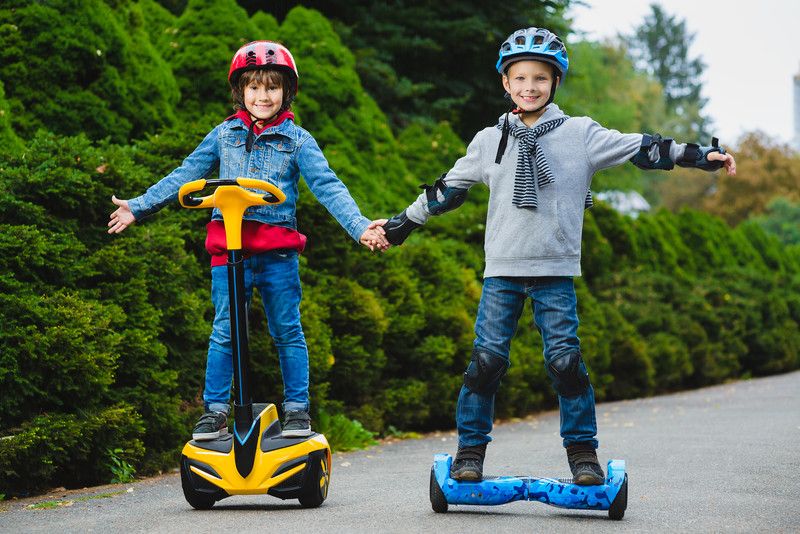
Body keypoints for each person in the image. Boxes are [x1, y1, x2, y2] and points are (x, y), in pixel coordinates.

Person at [379, 27, 736, 485]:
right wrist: (400, 225)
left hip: (555, 273)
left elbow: (643, 147)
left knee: (565, 362)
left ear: (555, 84)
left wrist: (701, 155)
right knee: (486, 362)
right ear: (506, 83)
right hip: (502, 273)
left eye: (541, 79)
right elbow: (448, 190)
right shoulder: (490, 140)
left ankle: (583, 454)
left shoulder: (580, 134)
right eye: (521, 78)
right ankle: (470, 451)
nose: (530, 87)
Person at [108, 41, 389, 440]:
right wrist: (139, 206)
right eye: (254, 87)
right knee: (225, 329)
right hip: (229, 251)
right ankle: (215, 411)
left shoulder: (298, 141)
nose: (262, 96)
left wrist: (360, 226)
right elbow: (184, 174)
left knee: (287, 329)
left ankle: (296, 410)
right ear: (240, 91)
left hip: (276, 254)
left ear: (285, 92)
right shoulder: (224, 135)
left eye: (271, 88)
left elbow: (328, 187)